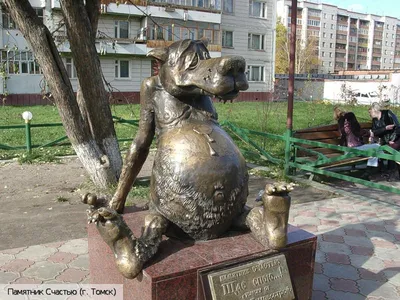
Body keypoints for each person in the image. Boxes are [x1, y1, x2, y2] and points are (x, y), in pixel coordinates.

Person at [333, 107, 380, 180]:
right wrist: (369, 133)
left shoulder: (341, 123)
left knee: (374, 153)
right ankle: (370, 171)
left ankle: (367, 173)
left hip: (349, 150)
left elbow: (345, 136)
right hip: (354, 149)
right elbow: (358, 131)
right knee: (377, 147)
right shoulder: (350, 118)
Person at [369, 102, 400, 180]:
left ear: (375, 110)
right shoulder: (374, 120)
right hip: (384, 141)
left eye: (370, 112)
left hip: (396, 139)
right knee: (378, 150)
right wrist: (385, 128)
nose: (369, 114)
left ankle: (392, 173)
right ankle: (383, 172)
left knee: (391, 149)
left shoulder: (388, 114)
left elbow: (397, 127)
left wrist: (393, 139)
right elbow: (374, 131)